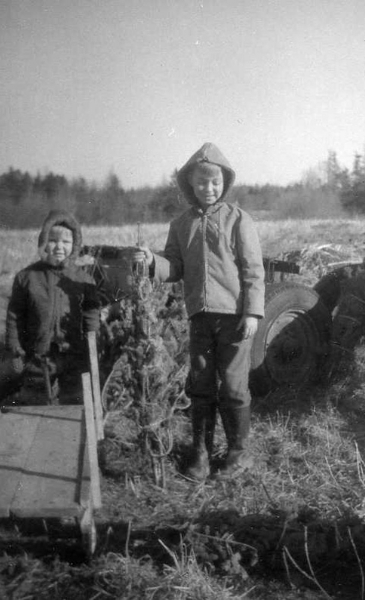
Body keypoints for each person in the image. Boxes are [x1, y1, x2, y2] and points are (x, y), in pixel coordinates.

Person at [140, 142, 265, 481]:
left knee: (235, 387)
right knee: (201, 384)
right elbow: (175, 268)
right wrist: (154, 263)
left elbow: (253, 270)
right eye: (201, 183)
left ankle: (239, 453)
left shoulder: (239, 220)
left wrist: (252, 313)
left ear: (224, 183)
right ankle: (201, 452)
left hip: (235, 319)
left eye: (215, 182)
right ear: (189, 185)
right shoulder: (180, 225)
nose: (208, 189)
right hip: (200, 318)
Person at [3, 209, 100, 405]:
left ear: (74, 245)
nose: (59, 247)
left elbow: (91, 315)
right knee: (36, 403)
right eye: (53, 240)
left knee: (73, 405)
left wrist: (93, 343)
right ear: (43, 241)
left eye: (66, 242)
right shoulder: (27, 277)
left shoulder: (83, 279)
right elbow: (15, 315)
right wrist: (14, 346)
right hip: (37, 358)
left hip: (73, 357)